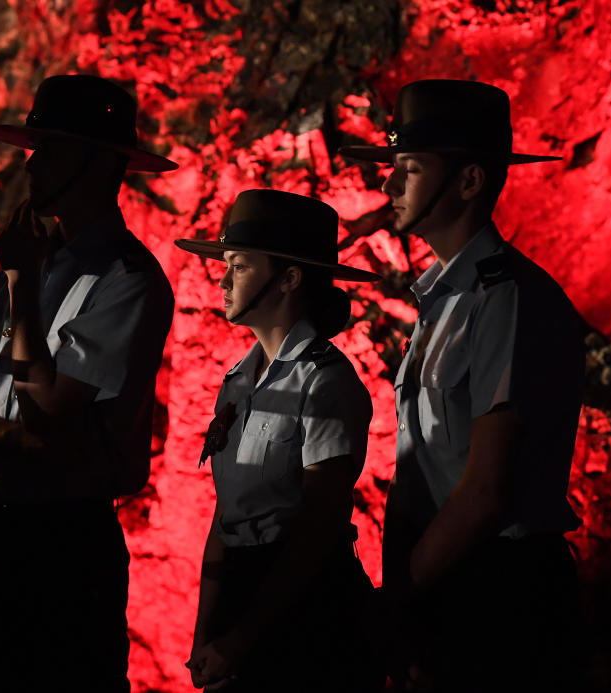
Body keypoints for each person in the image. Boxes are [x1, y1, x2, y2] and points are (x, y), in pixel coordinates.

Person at [0, 75, 176, 692]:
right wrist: (21, 445)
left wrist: (22, 283)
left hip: (65, 549)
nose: (32, 163)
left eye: (53, 148)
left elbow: (50, 411)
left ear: (101, 163)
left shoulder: (128, 280)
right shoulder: (22, 267)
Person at [340, 79, 585, 690]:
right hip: (445, 583)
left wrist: (393, 602)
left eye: (411, 170)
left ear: (470, 182)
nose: (389, 186)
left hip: (499, 592)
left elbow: (483, 493)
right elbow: (419, 469)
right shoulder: (444, 300)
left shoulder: (505, 300)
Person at [175, 189, 385, 692]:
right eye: (226, 265)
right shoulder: (238, 381)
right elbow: (226, 517)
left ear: (290, 278)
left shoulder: (326, 382)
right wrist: (207, 633)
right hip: (243, 598)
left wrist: (242, 639)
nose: (223, 280)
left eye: (241, 266)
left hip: (305, 610)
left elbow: (319, 525)